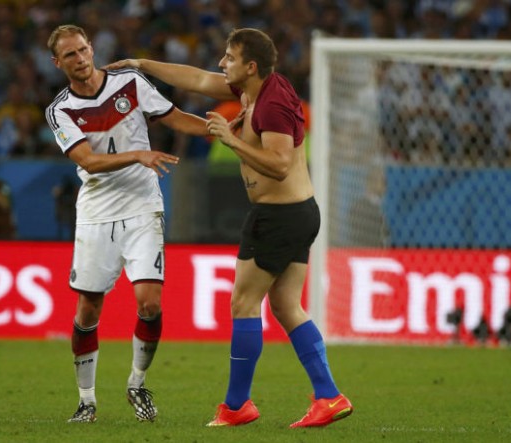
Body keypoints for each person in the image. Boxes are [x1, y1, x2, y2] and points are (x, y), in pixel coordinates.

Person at [106, 28, 353, 429]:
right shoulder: (257, 89)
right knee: (286, 306)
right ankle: (327, 396)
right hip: (298, 213)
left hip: (278, 216)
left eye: (229, 58)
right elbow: (198, 79)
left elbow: (280, 164)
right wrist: (141, 65)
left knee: (243, 303)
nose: (221, 64)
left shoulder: (269, 105)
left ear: (250, 66)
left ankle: (237, 405)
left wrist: (229, 138)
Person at [45, 24, 208, 424]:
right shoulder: (60, 109)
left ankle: (137, 383)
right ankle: (86, 400)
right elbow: (88, 161)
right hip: (97, 211)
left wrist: (225, 130)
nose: (81, 59)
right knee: (88, 310)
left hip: (142, 204)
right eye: (71, 55)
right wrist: (139, 154)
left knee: (150, 304)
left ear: (91, 48)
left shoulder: (129, 83)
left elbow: (175, 118)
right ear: (58, 63)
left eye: (84, 49)